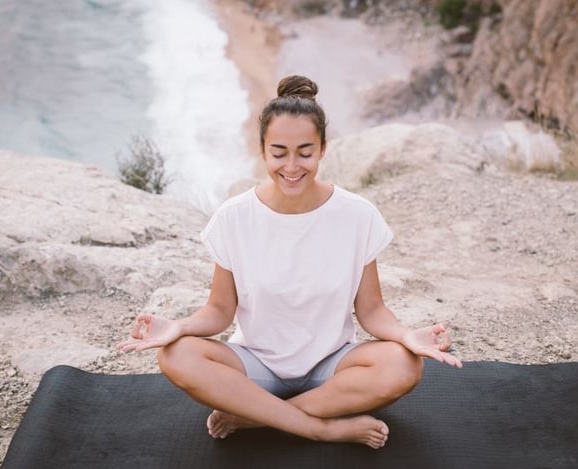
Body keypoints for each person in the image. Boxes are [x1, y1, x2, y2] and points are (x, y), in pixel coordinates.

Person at [117, 75, 462, 449]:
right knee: (176, 355)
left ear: (323, 149)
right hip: (254, 366)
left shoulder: (358, 215)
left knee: (405, 365)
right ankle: (319, 427)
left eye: (305, 151)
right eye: (279, 152)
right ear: (263, 150)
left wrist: (407, 336)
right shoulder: (234, 217)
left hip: (333, 366)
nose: (292, 166)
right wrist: (178, 327)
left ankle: (255, 417)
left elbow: (372, 310)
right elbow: (219, 311)